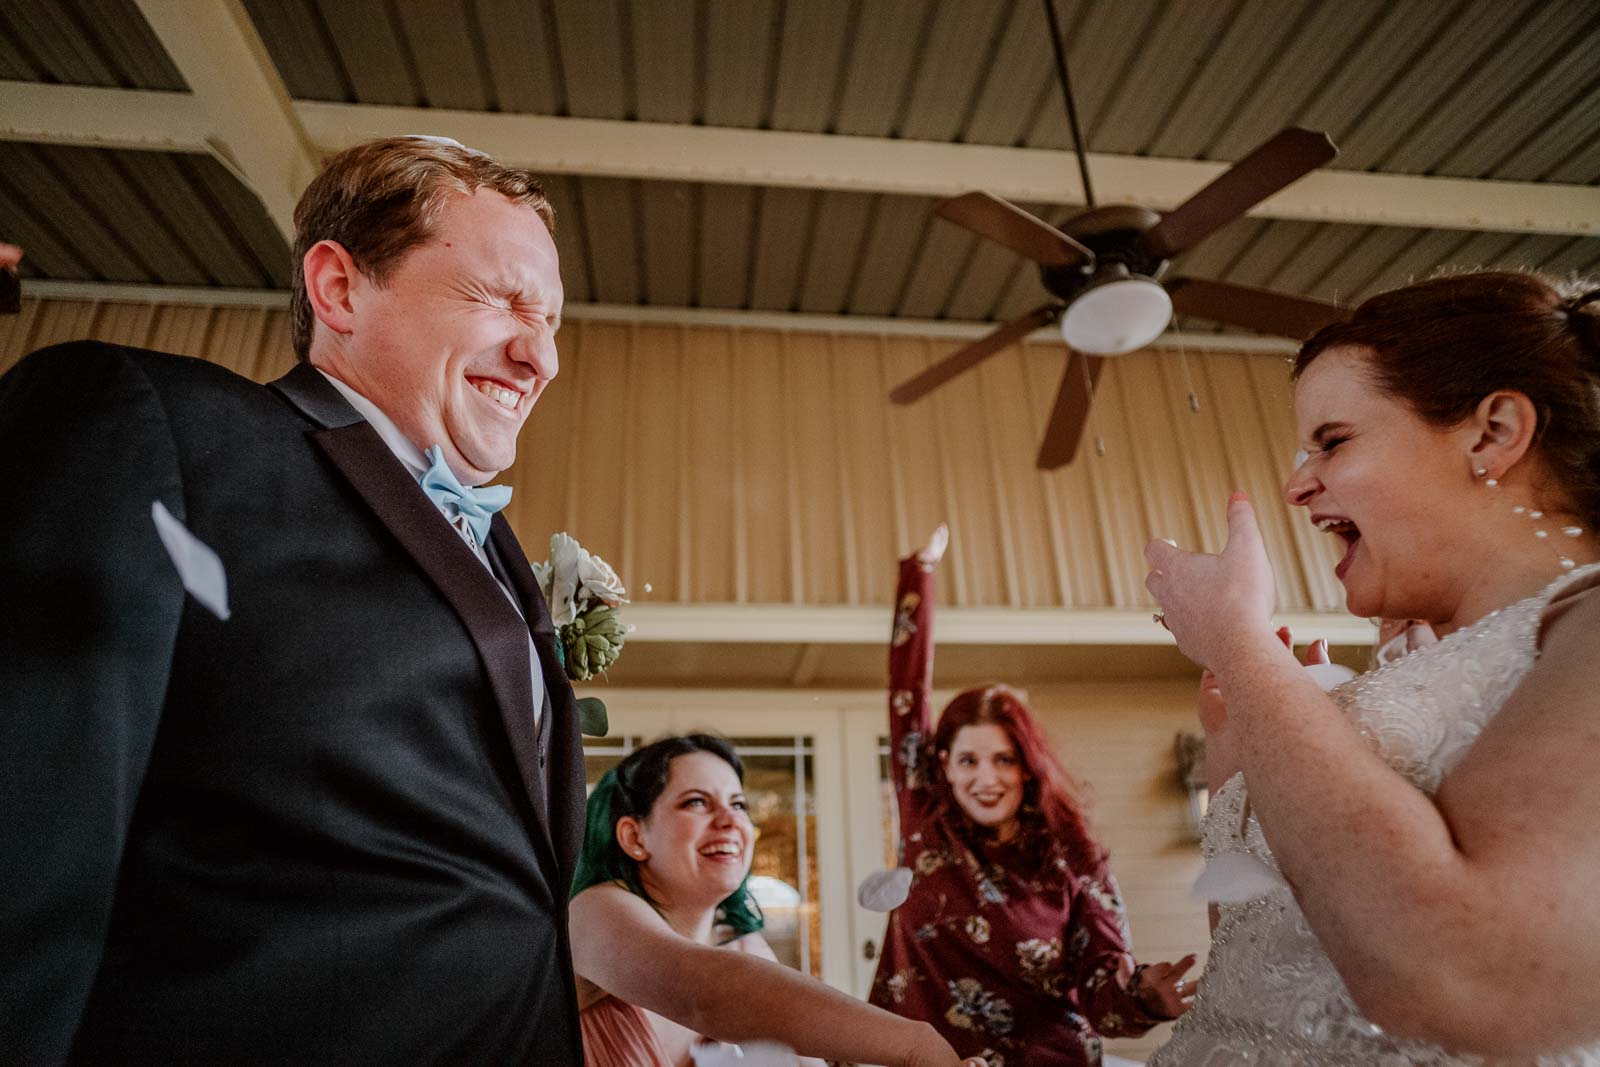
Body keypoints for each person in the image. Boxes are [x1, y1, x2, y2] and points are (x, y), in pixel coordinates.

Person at [0, 137, 586, 1063]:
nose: (538, 354)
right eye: (498, 299)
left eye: (551, 319)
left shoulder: (502, 555)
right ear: (339, 289)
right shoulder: (160, 427)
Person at [1144, 270, 1600, 1063]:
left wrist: (1239, 642)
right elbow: (1264, 948)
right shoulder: (1419, 662)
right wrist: (1233, 740)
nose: (1296, 484)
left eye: (1334, 439)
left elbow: (1467, 979)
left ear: (1492, 432)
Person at [870, 525, 1194, 1067]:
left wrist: (1143, 999)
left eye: (1004, 759)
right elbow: (907, 695)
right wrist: (918, 574)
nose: (986, 778)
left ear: (1028, 767)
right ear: (943, 766)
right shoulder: (924, 816)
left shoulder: (1073, 856)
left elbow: (1101, 994)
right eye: (969, 760)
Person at [568, 733, 986, 1067]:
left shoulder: (744, 946)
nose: (731, 820)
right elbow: (705, 993)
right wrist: (915, 1044)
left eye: (738, 804)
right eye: (696, 802)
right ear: (633, 837)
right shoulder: (592, 912)